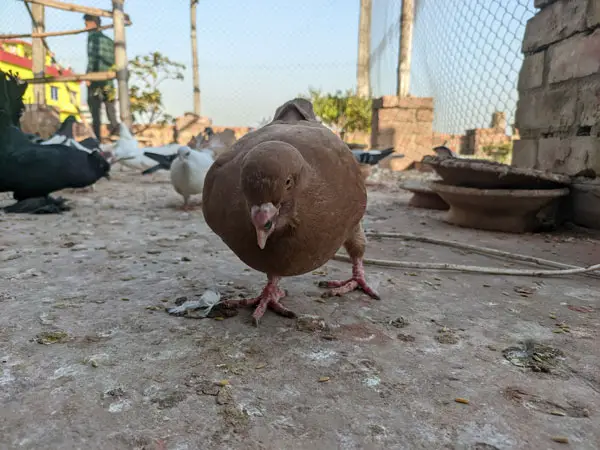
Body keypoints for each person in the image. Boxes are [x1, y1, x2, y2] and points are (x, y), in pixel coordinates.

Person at [84, 14, 119, 140]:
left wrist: (88, 75)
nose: (85, 27)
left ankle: (97, 137)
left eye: (86, 24)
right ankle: (115, 131)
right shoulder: (109, 40)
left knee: (95, 109)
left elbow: (93, 57)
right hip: (108, 79)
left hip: (96, 79)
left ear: (92, 23)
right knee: (110, 107)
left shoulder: (93, 37)